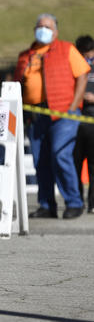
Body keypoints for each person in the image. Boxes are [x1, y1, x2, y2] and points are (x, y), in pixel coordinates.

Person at [14, 14, 89, 219]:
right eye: (40, 26)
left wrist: (74, 105)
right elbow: (17, 84)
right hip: (35, 115)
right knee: (41, 160)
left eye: (47, 27)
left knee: (60, 154)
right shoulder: (26, 55)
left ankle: (74, 202)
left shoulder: (67, 49)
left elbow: (82, 75)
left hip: (64, 112)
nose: (43, 30)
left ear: (56, 31)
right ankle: (46, 205)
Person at [73, 35, 94, 213]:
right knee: (75, 164)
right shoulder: (74, 66)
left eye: (89, 54)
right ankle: (77, 201)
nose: (86, 58)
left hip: (92, 121)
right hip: (75, 122)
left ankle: (92, 203)